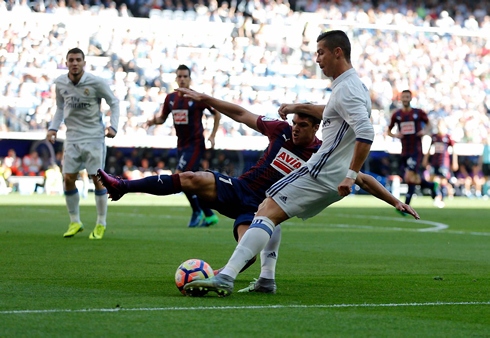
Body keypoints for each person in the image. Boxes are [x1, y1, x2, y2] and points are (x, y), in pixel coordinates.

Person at [97, 86, 418, 291]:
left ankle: (226, 276)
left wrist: (394, 202)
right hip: (239, 188)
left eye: (302, 125)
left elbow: (365, 178)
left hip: (259, 206)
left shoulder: (322, 154)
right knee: (193, 178)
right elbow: (241, 114)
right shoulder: (279, 129)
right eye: (294, 123)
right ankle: (122, 186)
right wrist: (209, 99)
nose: (295, 128)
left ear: (315, 128)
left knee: (251, 241)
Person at [184, 30, 416, 297]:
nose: (317, 59)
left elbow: (366, 132)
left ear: (337, 52)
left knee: (267, 209)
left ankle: (226, 276)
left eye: (320, 52)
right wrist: (297, 106)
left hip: (321, 170)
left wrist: (351, 175)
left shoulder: (349, 89)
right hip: (332, 173)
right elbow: (330, 111)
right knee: (269, 211)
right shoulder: (352, 86)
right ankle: (266, 279)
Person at [47, 47, 120, 240]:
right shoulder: (60, 83)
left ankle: (101, 223)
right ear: (66, 62)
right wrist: (53, 128)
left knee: (97, 179)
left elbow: (114, 102)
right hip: (72, 138)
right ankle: (75, 221)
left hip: (94, 137)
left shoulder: (96, 82)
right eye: (71, 60)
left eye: (78, 59)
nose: (74, 63)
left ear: (84, 62)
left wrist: (113, 126)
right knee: (68, 179)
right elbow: (60, 107)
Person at [144, 65, 221, 228]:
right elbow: (162, 118)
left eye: (185, 76)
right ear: (176, 78)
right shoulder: (171, 98)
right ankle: (208, 214)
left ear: (190, 78)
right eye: (180, 76)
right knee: (193, 181)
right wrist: (153, 121)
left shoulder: (197, 98)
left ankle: (197, 211)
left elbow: (217, 114)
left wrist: (213, 135)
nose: (182, 79)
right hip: (181, 145)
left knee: (179, 177)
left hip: (196, 145)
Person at [387, 89, 437, 210]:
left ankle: (405, 205)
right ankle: (430, 186)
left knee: (409, 176)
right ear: (400, 99)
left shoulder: (418, 113)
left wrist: (424, 131)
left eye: (407, 97)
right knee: (412, 178)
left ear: (410, 98)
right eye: (403, 97)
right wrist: (395, 135)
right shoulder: (397, 115)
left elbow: (429, 124)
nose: (405, 99)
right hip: (404, 151)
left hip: (416, 150)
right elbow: (388, 131)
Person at [422, 120, 458, 208]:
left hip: (444, 162)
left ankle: (441, 199)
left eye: (441, 126)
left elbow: (454, 150)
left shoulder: (448, 137)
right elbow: (429, 149)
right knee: (433, 179)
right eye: (438, 126)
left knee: (443, 181)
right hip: (434, 162)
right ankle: (437, 197)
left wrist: (455, 162)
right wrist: (425, 159)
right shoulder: (434, 137)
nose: (439, 127)